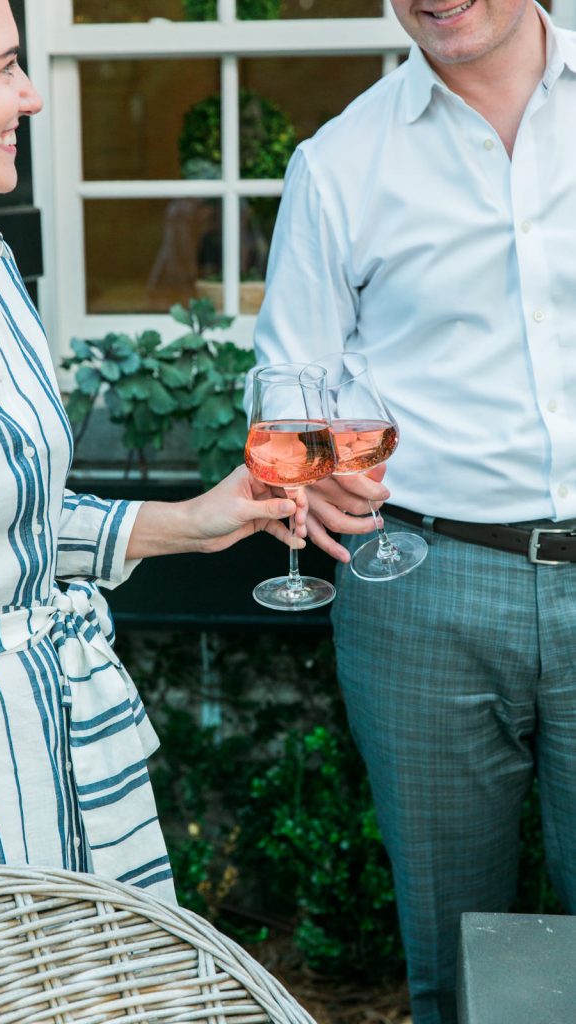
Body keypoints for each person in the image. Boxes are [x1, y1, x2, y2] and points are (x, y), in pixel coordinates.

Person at [0, 0, 309, 948]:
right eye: (4, 69)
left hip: (59, 744)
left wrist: (191, 521)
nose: (33, 98)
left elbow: (3, 523)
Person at [252, 2, 576, 1022]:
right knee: (449, 960)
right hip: (420, 582)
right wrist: (314, 466)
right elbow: (285, 385)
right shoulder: (339, 160)